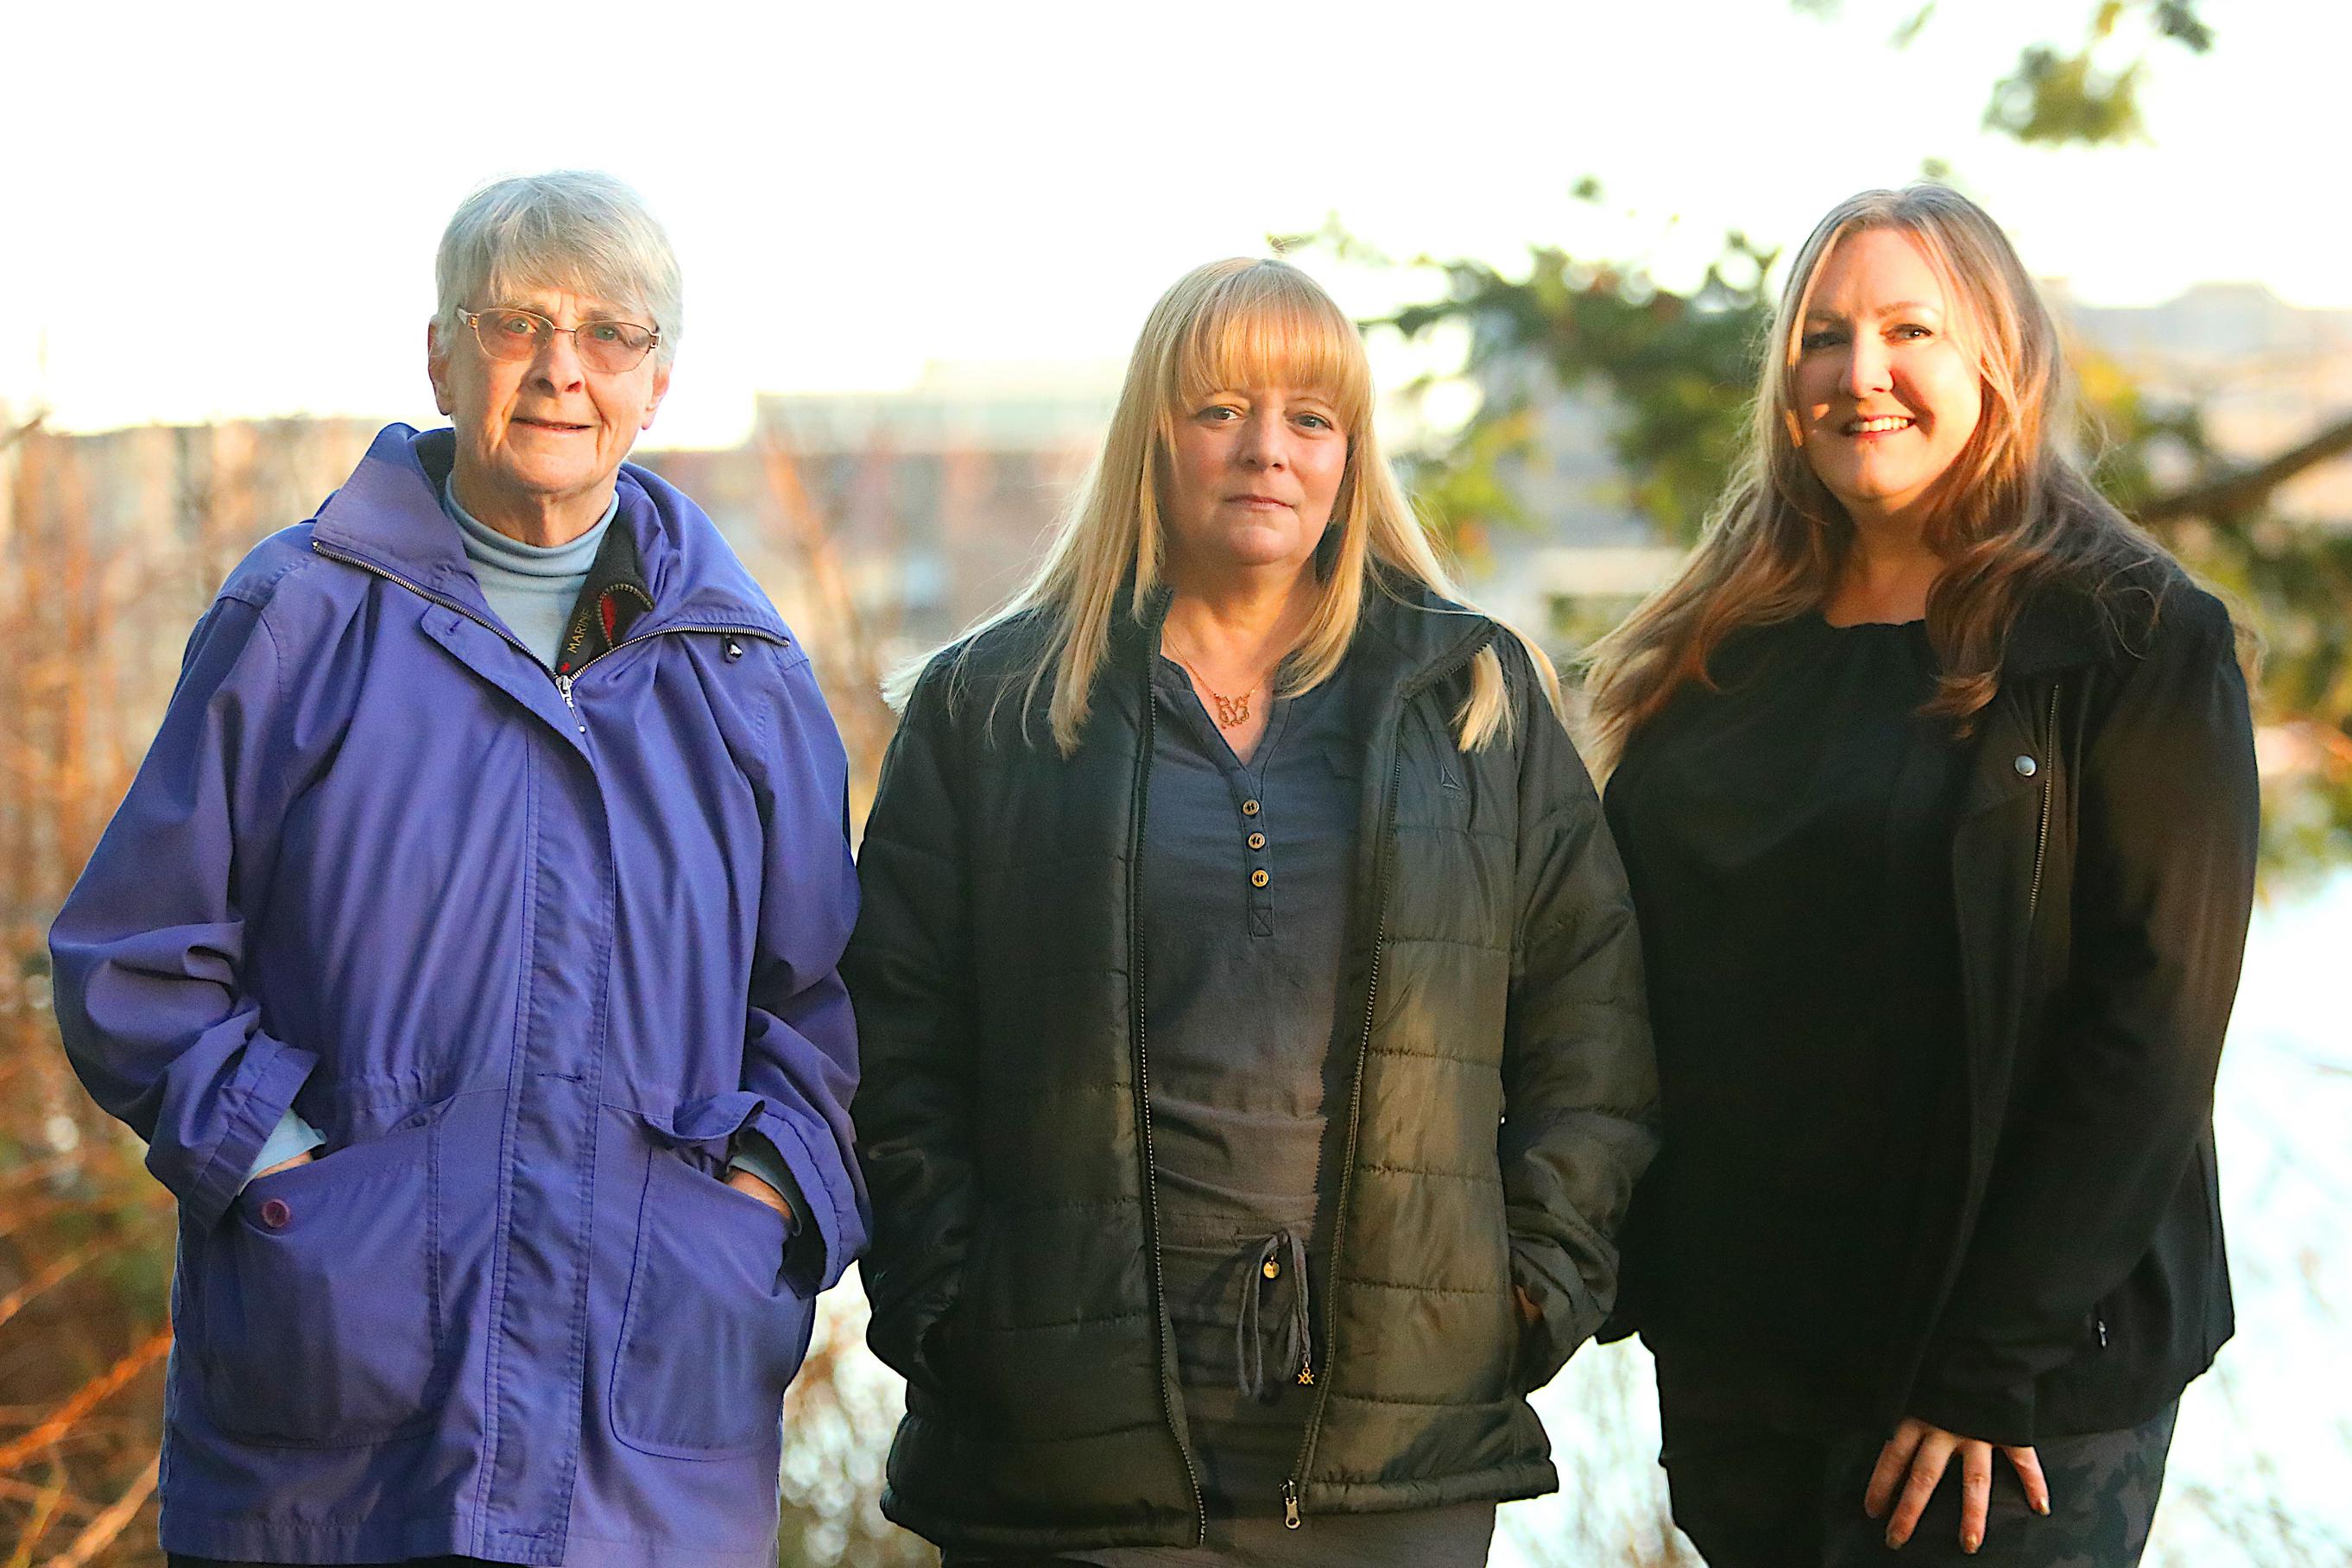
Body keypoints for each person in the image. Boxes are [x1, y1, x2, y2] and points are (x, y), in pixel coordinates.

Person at [49, 171, 865, 1568]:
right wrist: (294, 1180)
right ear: (439, 354)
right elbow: (135, 961)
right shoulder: (298, 618)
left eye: (610, 333)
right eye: (515, 323)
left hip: (646, 1442)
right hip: (335, 1440)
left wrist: (758, 1205)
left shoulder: (746, 679)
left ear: (657, 382)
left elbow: (834, 1012)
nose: (561, 369)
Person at [845, 256, 1659, 1565]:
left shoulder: (1474, 700)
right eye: (1220, 409)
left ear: (1350, 453)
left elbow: (1594, 1035)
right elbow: (890, 1044)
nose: (1267, 450)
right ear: (1152, 438)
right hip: (1065, 1446)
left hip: (1397, 1454)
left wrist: (1521, 1294)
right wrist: (954, 1307)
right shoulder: (990, 710)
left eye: (1311, 418)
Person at [1589, 184, 2259, 1565]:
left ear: (1999, 361)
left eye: (1910, 331)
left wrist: (1990, 1360)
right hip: (1749, 1377)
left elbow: (2152, 1031)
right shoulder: (1720, 650)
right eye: (1824, 338)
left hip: (2000, 1407)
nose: (1862, 374)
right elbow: (1626, 975)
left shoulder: (2130, 641)